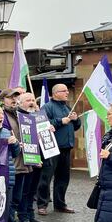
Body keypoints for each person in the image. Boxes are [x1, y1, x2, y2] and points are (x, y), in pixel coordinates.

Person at [37, 83, 80, 215]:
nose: (67, 93)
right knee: (46, 177)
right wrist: (60, 121)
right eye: (64, 91)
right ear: (55, 93)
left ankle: (60, 204)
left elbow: (76, 127)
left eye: (67, 90)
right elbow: (42, 125)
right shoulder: (47, 107)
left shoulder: (67, 107)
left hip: (66, 148)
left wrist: (76, 119)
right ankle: (42, 204)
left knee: (63, 178)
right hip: (51, 148)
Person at [1, 88, 33, 222]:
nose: (13, 100)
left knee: (17, 197)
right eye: (10, 97)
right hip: (12, 162)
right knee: (9, 199)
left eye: (16, 97)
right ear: (2, 100)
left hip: (23, 162)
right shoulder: (2, 115)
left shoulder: (19, 115)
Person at [16, 92, 49, 222]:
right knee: (25, 191)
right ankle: (23, 218)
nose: (31, 102)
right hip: (27, 159)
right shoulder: (19, 116)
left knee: (32, 190)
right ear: (20, 103)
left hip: (39, 157)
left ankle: (30, 215)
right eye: (27, 100)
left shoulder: (38, 115)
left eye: (32, 100)